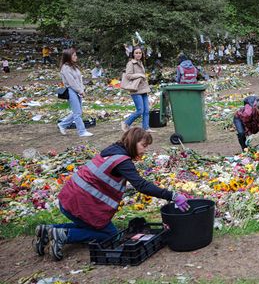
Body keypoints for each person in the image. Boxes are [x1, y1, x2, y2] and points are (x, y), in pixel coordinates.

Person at [33, 128, 189, 261]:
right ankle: (63, 235)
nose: (144, 150)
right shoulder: (122, 160)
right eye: (143, 145)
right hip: (79, 204)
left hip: (68, 199)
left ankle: (48, 230)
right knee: (110, 235)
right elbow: (141, 185)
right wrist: (173, 196)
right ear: (133, 142)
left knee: (87, 226)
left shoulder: (112, 151)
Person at [57, 48, 93, 137]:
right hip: (71, 90)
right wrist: (80, 91)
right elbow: (71, 82)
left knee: (78, 112)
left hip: (77, 90)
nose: (76, 57)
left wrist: (82, 89)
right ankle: (82, 131)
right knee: (77, 113)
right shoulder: (65, 68)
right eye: (74, 55)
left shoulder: (74, 67)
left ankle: (62, 124)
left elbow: (79, 80)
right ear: (69, 57)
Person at [121, 45, 153, 133]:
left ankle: (146, 127)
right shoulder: (131, 63)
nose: (138, 54)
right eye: (136, 53)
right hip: (135, 89)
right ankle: (126, 123)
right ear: (133, 54)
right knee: (140, 110)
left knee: (146, 110)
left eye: (140, 53)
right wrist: (140, 75)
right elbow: (128, 75)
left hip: (143, 89)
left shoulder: (140, 63)